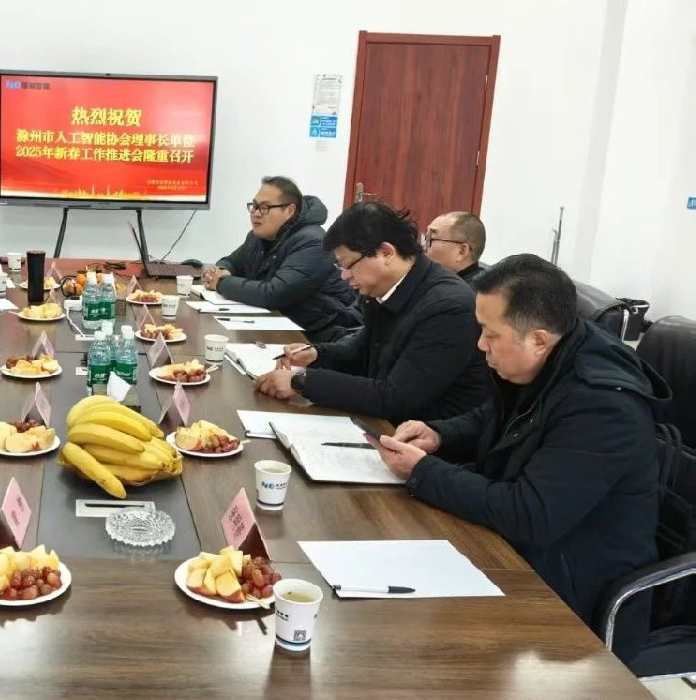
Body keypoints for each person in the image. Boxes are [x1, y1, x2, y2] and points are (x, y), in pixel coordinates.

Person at [369, 255, 665, 658]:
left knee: (413, 641)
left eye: (490, 334)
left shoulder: (602, 407)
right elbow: (498, 419)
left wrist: (423, 472)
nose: (480, 345)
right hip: (516, 551)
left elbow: (529, 514)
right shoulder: (548, 358)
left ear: (538, 339)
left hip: (568, 594)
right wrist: (439, 435)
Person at [254, 202, 488, 422]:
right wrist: (316, 355)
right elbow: (362, 351)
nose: (344, 276)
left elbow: (395, 398)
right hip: (386, 423)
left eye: (347, 265)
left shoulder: (447, 307)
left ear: (386, 252)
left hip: (426, 437)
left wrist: (301, 383)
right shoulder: (388, 287)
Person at [202, 176, 361, 342]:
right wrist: (220, 270)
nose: (256, 213)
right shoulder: (258, 236)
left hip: (320, 335)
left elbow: (274, 294)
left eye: (265, 208)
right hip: (278, 325)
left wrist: (221, 283)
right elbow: (232, 262)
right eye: (254, 206)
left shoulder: (312, 241)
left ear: (290, 211)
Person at [423, 211, 487, 287]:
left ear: (461, 251)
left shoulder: (467, 292)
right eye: (426, 238)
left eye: (431, 239)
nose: (423, 247)